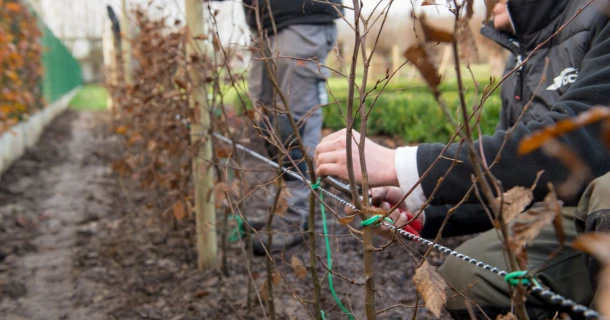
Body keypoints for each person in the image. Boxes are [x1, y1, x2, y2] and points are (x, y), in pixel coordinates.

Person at [315, 0, 610, 318]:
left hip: (601, 206)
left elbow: (587, 138)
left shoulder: (600, 14)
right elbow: (511, 179)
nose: (478, 6)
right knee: (463, 280)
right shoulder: (522, 56)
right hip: (567, 214)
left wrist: (401, 164)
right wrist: (421, 206)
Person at [213, 0, 342, 255]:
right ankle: (285, 209)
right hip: (266, 26)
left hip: (303, 18)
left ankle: (294, 220)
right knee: (267, 120)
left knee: (294, 126)